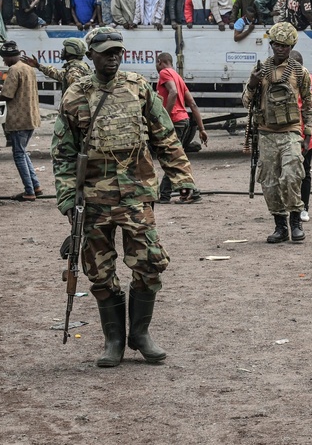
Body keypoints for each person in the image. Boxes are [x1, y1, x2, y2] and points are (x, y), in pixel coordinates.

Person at [52, 27, 195, 368]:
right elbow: (62, 153)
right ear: (92, 55)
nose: (113, 57)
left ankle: (140, 334)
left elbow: (165, 135)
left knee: (149, 264)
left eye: (118, 51)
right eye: (105, 52)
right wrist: (68, 199)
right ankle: (114, 339)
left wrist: (181, 176)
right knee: (99, 272)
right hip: (93, 199)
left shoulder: (138, 88)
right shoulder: (75, 95)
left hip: (135, 195)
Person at [242, 23, 312, 244]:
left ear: (291, 46)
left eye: (285, 45)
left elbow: (308, 104)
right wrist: (252, 84)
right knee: (269, 181)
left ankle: (295, 222)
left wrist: (308, 132)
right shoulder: (260, 70)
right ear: (271, 44)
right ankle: (280, 225)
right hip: (266, 133)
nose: (280, 48)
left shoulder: (300, 72)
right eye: (276, 44)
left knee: (292, 175)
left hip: (290, 131)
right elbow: (245, 102)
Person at [0, 41, 42, 201]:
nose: (4, 62)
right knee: (23, 152)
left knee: (19, 154)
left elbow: (7, 96)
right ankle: (36, 186)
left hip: (19, 119)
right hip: (30, 117)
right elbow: (18, 88)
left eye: (4, 59)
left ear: (9, 57)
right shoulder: (27, 67)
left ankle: (29, 191)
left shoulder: (14, 69)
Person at [154, 52, 206, 203]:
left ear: (160, 62)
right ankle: (165, 195)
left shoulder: (165, 73)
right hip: (183, 121)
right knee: (173, 157)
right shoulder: (178, 77)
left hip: (175, 121)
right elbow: (193, 104)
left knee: (172, 158)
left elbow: (173, 92)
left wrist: (165, 118)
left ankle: (192, 192)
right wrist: (202, 129)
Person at [291, 50, 312, 222]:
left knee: (304, 172)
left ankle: (304, 207)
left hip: (305, 135)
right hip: (287, 134)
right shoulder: (285, 81)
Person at [20, 37, 91, 92]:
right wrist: (38, 66)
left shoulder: (74, 71)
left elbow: (77, 95)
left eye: (65, 48)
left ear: (70, 51)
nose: (62, 50)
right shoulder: (79, 66)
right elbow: (59, 75)